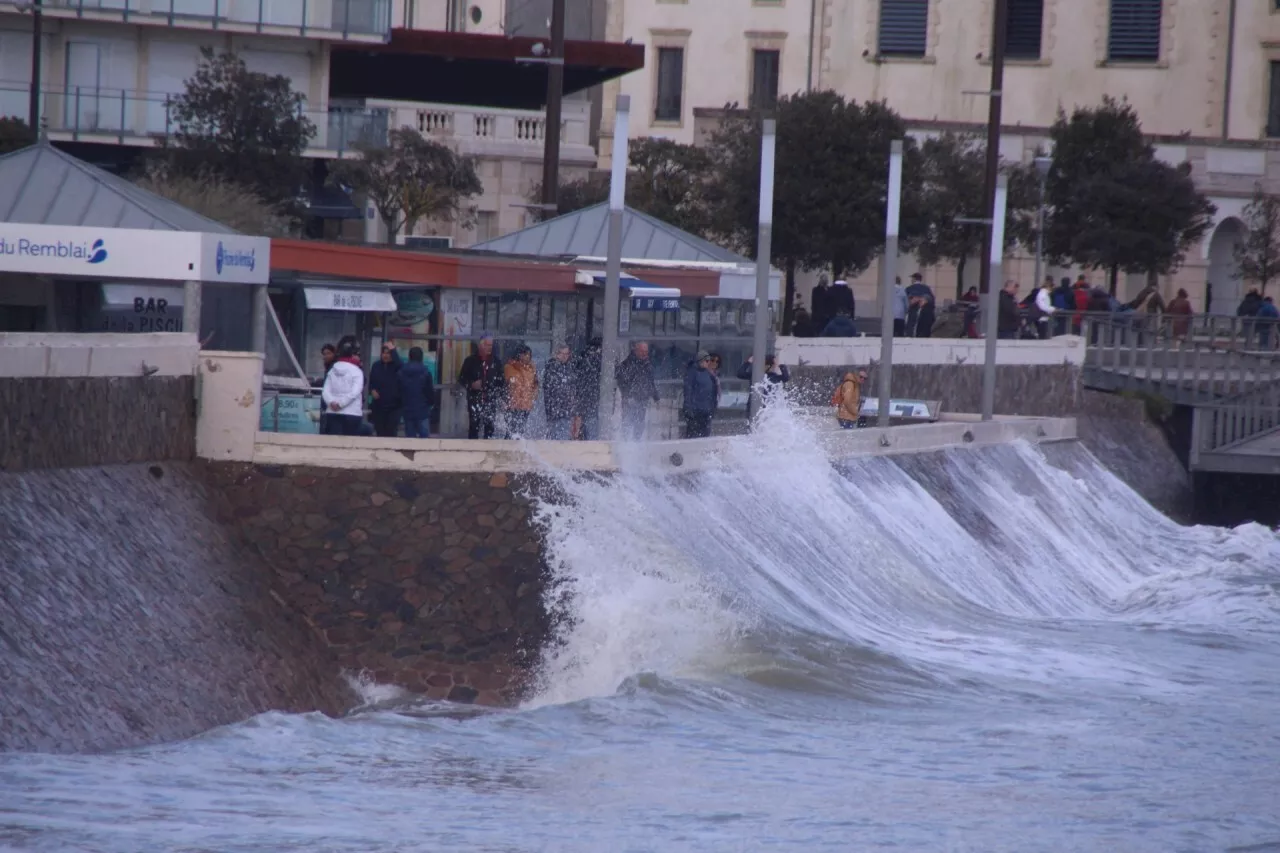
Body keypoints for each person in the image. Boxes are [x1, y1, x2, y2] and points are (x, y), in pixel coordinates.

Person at [458, 335, 505, 440]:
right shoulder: (470, 361)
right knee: (474, 427)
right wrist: (471, 385)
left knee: (489, 428)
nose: (490, 348)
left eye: (491, 345)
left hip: (490, 400)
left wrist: (502, 399)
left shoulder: (496, 362)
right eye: (487, 345)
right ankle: (472, 451)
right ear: (481, 345)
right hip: (475, 400)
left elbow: (501, 382)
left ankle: (488, 451)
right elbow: (461, 379)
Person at [615, 341, 661, 440]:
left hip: (642, 400)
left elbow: (650, 382)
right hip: (630, 400)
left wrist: (656, 397)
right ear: (636, 351)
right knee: (628, 423)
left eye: (646, 352)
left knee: (640, 424)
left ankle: (636, 443)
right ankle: (626, 444)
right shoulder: (627, 364)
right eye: (642, 352)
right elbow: (622, 382)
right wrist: (628, 395)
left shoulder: (647, 364)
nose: (645, 354)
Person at [321, 338, 365, 436]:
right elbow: (355, 392)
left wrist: (332, 403)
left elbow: (326, 391)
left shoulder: (332, 370)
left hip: (332, 412)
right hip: (352, 413)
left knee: (333, 445)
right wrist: (341, 404)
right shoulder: (357, 371)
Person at [397, 346, 435, 438]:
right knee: (424, 438)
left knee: (410, 438)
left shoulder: (402, 372)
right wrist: (431, 403)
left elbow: (399, 391)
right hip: (422, 409)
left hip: (407, 409)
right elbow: (429, 391)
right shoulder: (425, 372)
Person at [368, 341, 403, 437]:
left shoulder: (396, 366)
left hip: (394, 407)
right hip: (379, 406)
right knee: (380, 432)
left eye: (388, 353)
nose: (386, 355)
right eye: (384, 353)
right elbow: (371, 382)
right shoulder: (376, 366)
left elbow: (400, 365)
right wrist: (372, 390)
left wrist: (393, 350)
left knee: (391, 431)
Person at [503, 345, 538, 438]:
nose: (528, 357)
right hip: (512, 405)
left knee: (520, 431)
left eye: (529, 355)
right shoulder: (510, 367)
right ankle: (507, 449)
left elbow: (535, 385)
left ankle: (518, 450)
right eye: (525, 354)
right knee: (511, 431)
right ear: (519, 355)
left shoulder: (532, 368)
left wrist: (533, 397)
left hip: (525, 405)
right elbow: (509, 383)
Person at [543, 342, 577, 440]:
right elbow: (551, 389)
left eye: (567, 354)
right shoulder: (552, 367)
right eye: (563, 353)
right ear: (557, 354)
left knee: (563, 438)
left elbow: (572, 387)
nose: (565, 356)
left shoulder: (569, 367)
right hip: (555, 410)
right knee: (555, 437)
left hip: (566, 410)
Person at [682, 351, 718, 438]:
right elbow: (688, 391)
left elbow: (713, 392)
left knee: (705, 436)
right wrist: (688, 408)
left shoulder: (708, 374)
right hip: (695, 412)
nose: (709, 363)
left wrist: (713, 406)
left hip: (706, 412)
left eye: (709, 360)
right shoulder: (692, 373)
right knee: (693, 436)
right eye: (707, 360)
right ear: (700, 361)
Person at [573, 337, 603, 439]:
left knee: (584, 427)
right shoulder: (596, 360)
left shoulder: (582, 359)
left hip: (583, 398)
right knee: (592, 429)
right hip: (591, 399)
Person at [313, 343, 337, 433]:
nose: (326, 356)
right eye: (324, 354)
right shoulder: (328, 366)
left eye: (328, 353)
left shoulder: (335, 367)